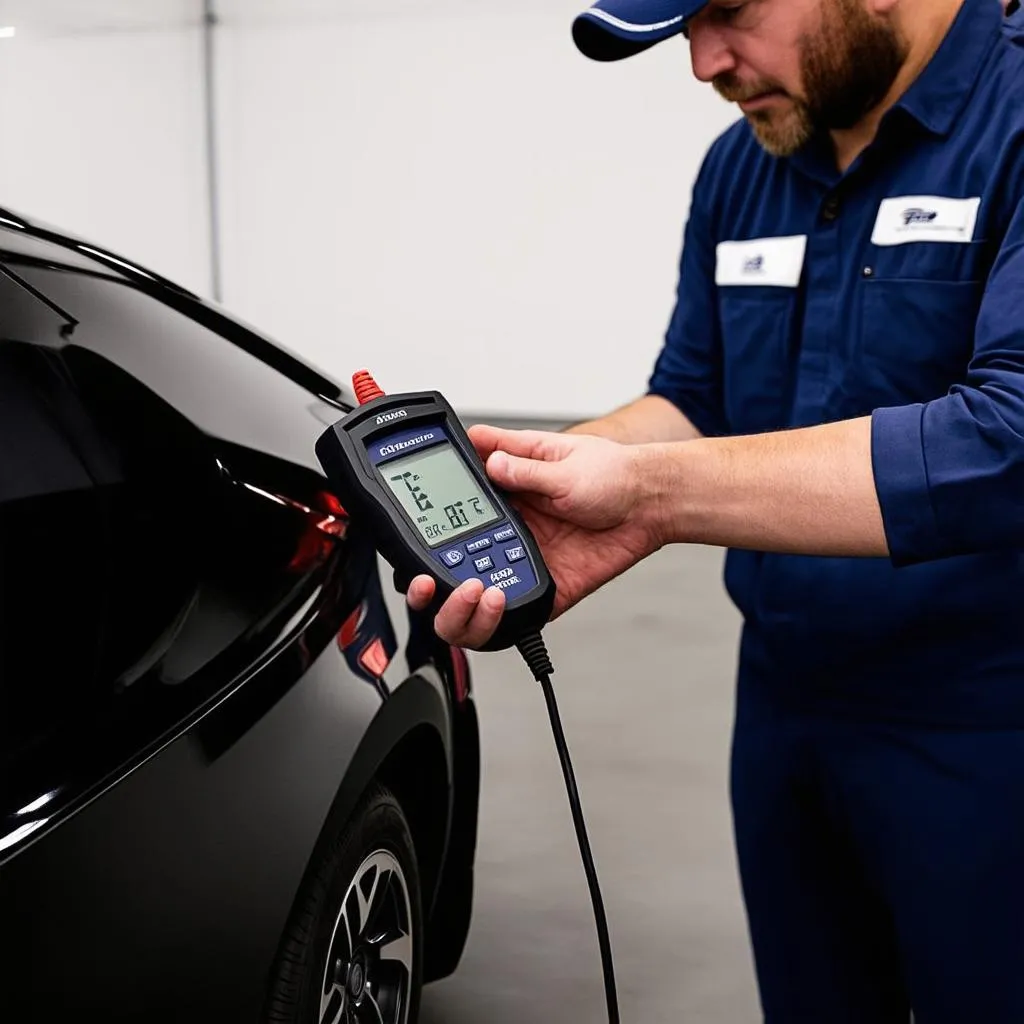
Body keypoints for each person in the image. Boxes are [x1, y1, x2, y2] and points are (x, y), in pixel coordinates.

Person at [410, 0, 1024, 1020]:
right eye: (679, 29)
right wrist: (518, 480)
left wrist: (649, 499)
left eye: (727, 12)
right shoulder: (745, 165)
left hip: (985, 719)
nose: (702, 63)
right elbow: (694, 397)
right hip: (786, 707)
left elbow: (1006, 441)